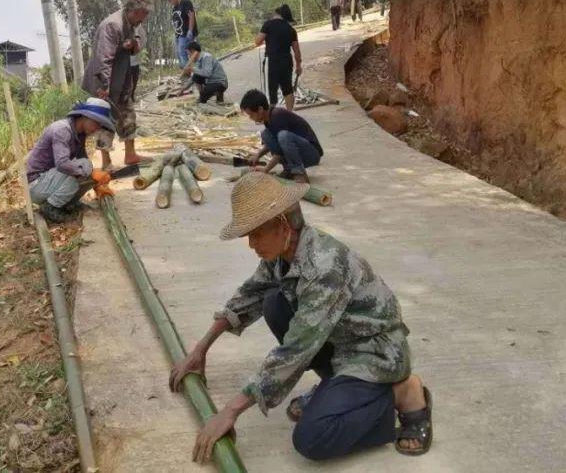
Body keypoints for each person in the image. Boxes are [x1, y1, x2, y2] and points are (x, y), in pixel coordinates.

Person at [169, 172, 433, 463]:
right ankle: (335, 386)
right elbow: (249, 295)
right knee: (274, 304)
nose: (251, 244)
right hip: (339, 341)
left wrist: (230, 411)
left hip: (373, 352)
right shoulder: (285, 253)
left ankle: (401, 394)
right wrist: (200, 349)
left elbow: (295, 350)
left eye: (256, 233)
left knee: (314, 438)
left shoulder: (324, 268)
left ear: (282, 225)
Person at [82, 0, 154, 170]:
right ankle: (106, 162)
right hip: (104, 81)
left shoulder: (133, 24)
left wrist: (133, 44)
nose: (144, 19)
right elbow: (103, 58)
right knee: (104, 120)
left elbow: (139, 41)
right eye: (143, 15)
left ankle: (130, 155)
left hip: (122, 79)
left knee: (128, 114)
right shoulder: (112, 25)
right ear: (134, 10)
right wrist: (104, 85)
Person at [26, 98, 115, 223]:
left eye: (100, 125)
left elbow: (82, 159)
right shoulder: (62, 130)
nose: (97, 128)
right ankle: (50, 207)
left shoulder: (80, 133)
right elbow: (62, 164)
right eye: (96, 122)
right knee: (82, 170)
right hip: (36, 184)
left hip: (49, 180)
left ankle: (67, 204)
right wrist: (90, 173)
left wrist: (96, 180)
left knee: (87, 167)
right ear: (85, 116)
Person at [240, 88, 322, 183]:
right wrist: (258, 155)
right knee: (266, 134)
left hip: (311, 154)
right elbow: (275, 145)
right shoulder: (268, 118)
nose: (251, 118)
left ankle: (300, 173)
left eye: (251, 115)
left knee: (284, 136)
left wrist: (266, 169)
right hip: (300, 152)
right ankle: (289, 170)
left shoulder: (277, 116)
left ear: (260, 109)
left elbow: (279, 152)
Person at [255, 4, 302, 110]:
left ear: (277, 13)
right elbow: (297, 51)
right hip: (286, 60)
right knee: (288, 89)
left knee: (272, 90)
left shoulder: (268, 25)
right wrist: (299, 66)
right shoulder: (290, 29)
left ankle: (271, 115)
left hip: (273, 61)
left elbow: (257, 42)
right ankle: (290, 114)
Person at [164, 0, 198, 68]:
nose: (170, 3)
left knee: (182, 52)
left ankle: (187, 73)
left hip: (186, 33)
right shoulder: (175, 8)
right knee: (179, 53)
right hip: (179, 34)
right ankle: (185, 70)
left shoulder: (185, 2)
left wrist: (190, 30)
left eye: (170, 0)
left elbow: (191, 15)